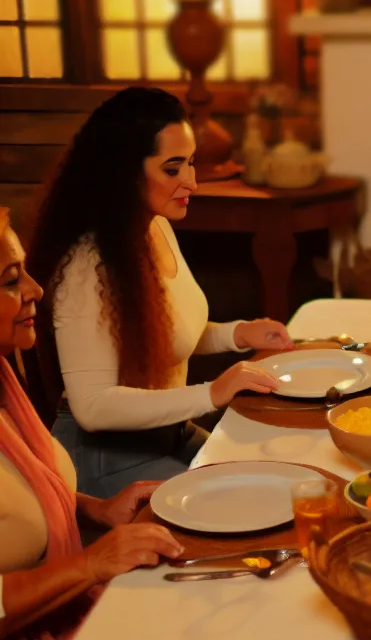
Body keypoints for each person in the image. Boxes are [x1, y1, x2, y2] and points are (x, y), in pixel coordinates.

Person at [0, 207, 181, 640]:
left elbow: (17, 494)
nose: (34, 290)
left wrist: (96, 510)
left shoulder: (2, 379)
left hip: (57, 629)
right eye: (9, 279)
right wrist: (88, 567)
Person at [26, 87, 292, 497]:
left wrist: (237, 334)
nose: (193, 182)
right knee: (254, 498)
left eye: (190, 163)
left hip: (166, 435)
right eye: (172, 169)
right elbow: (93, 406)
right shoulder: (86, 266)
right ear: (124, 172)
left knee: (284, 477)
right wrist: (212, 392)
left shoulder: (155, 227)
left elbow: (161, 336)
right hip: (104, 457)